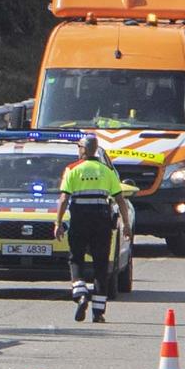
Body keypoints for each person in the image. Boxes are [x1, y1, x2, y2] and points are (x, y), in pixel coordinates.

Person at [53, 136, 128, 322]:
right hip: (101, 221)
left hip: (79, 220)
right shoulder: (106, 170)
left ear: (83, 150)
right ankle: (98, 312)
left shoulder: (72, 170)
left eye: (79, 147)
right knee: (101, 265)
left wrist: (58, 223)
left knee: (76, 259)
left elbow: (64, 199)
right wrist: (126, 224)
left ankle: (80, 294)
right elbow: (119, 199)